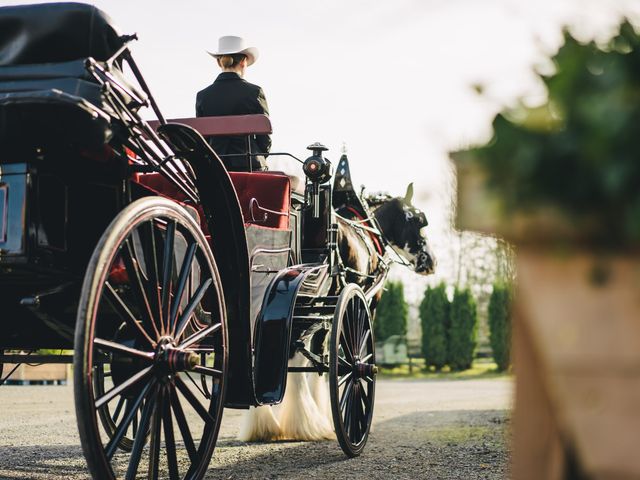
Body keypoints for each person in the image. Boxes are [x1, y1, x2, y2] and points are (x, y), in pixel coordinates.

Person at [196, 36, 271, 171]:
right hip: (249, 163)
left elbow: (203, 139)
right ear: (243, 61)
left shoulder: (203, 96)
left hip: (216, 165)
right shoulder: (254, 92)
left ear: (219, 63)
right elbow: (264, 138)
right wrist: (259, 155)